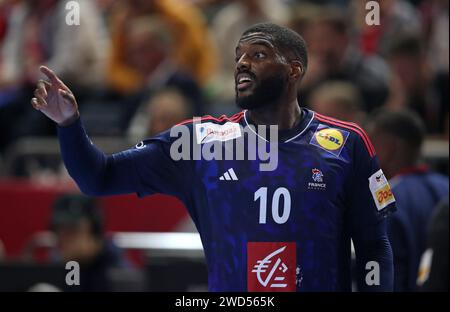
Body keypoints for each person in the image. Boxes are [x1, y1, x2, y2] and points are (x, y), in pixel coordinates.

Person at [31, 23, 395, 292]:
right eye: (238, 55)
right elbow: (99, 178)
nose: (242, 63)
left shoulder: (348, 143)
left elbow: (374, 244)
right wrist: (69, 124)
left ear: (294, 69)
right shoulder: (200, 142)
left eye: (258, 54)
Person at [367, 109, 449, 291]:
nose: (368, 154)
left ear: (389, 147)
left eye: (371, 144)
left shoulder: (386, 200)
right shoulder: (446, 187)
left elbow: (389, 275)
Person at [50, 194, 130, 292]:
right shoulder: (58, 267)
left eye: (72, 228)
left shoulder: (118, 273)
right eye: (59, 228)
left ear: (94, 230)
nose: (64, 237)